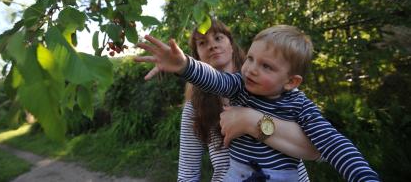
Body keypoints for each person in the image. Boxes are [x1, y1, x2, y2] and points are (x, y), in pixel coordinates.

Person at [135, 25, 380, 181]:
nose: (251, 69)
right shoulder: (239, 86)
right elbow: (215, 80)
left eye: (266, 66)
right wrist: (185, 66)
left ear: (291, 82)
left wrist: (365, 177)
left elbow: (331, 145)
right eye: (251, 59)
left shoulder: (299, 106)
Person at [177, 20, 319, 182]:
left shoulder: (275, 85)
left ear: (231, 44)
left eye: (218, 38)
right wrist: (182, 66)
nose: (212, 46)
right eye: (202, 43)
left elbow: (317, 150)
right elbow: (187, 174)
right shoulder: (194, 107)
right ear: (197, 56)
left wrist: (250, 121)